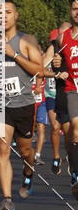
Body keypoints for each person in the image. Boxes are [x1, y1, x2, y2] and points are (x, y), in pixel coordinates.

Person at [0, 0, 43, 210]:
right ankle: (7, 200)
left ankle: (28, 170)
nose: (3, 16)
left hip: (24, 104)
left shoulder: (26, 40)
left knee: (25, 152)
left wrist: (13, 54)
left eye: (8, 12)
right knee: (3, 149)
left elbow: (39, 70)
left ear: (16, 15)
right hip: (0, 104)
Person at [54, 3, 78, 198]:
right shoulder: (63, 37)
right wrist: (56, 64)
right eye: (74, 8)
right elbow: (54, 59)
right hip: (72, 90)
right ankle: (76, 170)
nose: (77, 12)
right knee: (73, 131)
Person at [44, 22, 71, 174]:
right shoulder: (52, 48)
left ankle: (71, 155)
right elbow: (39, 68)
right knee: (55, 127)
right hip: (52, 94)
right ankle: (56, 156)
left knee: (70, 132)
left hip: (70, 94)